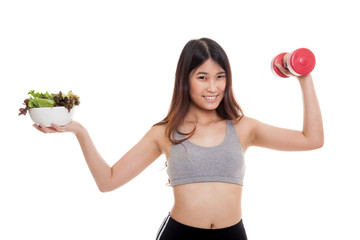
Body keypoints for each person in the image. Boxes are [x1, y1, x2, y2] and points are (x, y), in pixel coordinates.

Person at [33, 38, 324, 240]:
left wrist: (304, 77)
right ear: (185, 79)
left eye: (220, 76)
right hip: (180, 235)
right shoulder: (165, 133)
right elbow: (107, 182)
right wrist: (80, 133)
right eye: (202, 77)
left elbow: (312, 139)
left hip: (232, 234)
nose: (213, 87)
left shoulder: (244, 128)